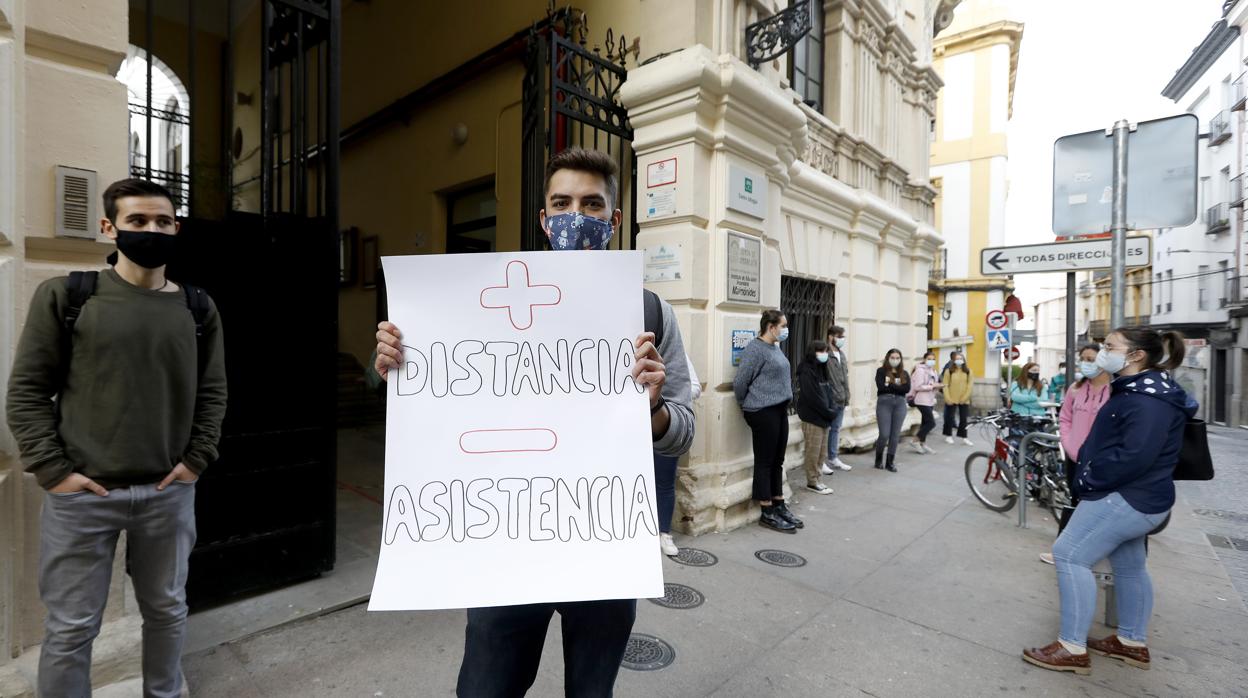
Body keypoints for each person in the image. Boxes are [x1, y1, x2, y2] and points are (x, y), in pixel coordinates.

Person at [373, 147, 695, 697]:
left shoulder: (649, 312)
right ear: (545, 219)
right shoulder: (476, 302)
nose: (577, 216)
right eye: (562, 204)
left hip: (603, 548)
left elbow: (682, 433)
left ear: (614, 219)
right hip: (507, 550)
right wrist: (399, 367)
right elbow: (441, 404)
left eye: (592, 205)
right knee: (485, 689)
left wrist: (654, 407)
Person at [6, 179, 228, 697]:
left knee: (167, 611)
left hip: (167, 493)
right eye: (137, 221)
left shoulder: (198, 307)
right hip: (82, 498)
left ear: (177, 229)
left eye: (163, 222)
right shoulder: (68, 296)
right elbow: (27, 392)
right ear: (109, 227)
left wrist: (196, 461)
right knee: (71, 628)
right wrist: (55, 473)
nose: (152, 230)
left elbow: (212, 392)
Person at [1023, 328, 1191, 675]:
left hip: (1126, 497)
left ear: (1136, 355)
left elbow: (1134, 455)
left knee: (1069, 554)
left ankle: (1072, 647)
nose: (1103, 352)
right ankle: (1130, 642)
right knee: (1130, 566)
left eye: (1110, 347)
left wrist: (1089, 478)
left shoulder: (1148, 400)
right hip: (1139, 496)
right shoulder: (1143, 390)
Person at [1039, 344, 1110, 565]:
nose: (1086, 363)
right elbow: (1065, 418)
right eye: (1083, 359)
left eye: (1091, 359)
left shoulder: (1115, 391)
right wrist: (1069, 444)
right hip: (1075, 456)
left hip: (1102, 460)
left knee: (1098, 506)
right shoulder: (1076, 388)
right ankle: (1063, 551)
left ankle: (1093, 553)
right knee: (1075, 502)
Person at [734, 309, 803, 532]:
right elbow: (740, 382)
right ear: (771, 327)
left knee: (778, 459)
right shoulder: (755, 349)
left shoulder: (775, 347)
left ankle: (778, 503)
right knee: (765, 461)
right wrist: (746, 404)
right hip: (762, 411)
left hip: (779, 409)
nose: (786, 329)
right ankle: (766, 510)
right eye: (783, 326)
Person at [654, 355, 701, 557]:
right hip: (633, 429)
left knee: (665, 482)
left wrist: (664, 397)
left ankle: (664, 533)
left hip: (665, 427)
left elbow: (695, 387)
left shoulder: (675, 352)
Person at [796, 340, 836, 495]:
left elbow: (828, 391)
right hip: (813, 417)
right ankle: (812, 481)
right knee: (813, 451)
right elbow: (813, 397)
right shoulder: (806, 370)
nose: (824, 354)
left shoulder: (822, 368)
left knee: (821, 452)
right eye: (821, 351)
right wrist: (828, 412)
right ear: (813, 352)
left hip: (824, 417)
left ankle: (818, 479)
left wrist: (831, 410)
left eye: (825, 351)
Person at [873, 349, 909, 472]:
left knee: (895, 435)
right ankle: (878, 458)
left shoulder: (904, 373)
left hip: (900, 404)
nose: (895, 360)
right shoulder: (881, 371)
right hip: (884, 403)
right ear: (888, 358)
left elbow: (906, 389)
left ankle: (890, 462)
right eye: (892, 357)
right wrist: (897, 386)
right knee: (884, 434)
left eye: (897, 358)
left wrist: (890, 384)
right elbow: (881, 387)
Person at [823, 325, 852, 473]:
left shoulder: (842, 354)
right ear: (830, 337)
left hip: (841, 398)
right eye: (839, 337)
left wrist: (847, 396)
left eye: (843, 337)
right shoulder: (825, 354)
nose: (842, 340)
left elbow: (844, 377)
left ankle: (833, 458)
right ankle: (821, 461)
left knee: (836, 429)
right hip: (830, 399)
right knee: (824, 430)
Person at [907, 351, 941, 454]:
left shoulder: (933, 371)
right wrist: (932, 386)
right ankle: (915, 440)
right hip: (921, 400)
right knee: (931, 423)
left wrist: (938, 386)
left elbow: (933, 384)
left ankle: (922, 443)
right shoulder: (920, 370)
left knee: (925, 422)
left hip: (930, 400)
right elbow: (918, 386)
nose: (931, 361)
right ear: (924, 359)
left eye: (933, 359)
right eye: (929, 359)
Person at [941, 351, 974, 446]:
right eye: (957, 359)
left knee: (964, 419)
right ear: (954, 361)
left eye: (961, 359)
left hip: (964, 399)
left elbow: (970, 386)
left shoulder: (968, 371)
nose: (959, 360)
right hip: (951, 398)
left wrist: (965, 397)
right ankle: (948, 435)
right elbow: (945, 385)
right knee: (949, 418)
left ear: (963, 360)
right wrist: (947, 398)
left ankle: (964, 437)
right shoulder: (949, 371)